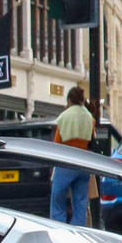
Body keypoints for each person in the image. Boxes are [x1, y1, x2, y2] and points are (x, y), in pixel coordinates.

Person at [49, 85, 96, 226]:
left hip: (66, 161)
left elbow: (57, 142)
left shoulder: (64, 116)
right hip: (83, 162)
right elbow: (92, 140)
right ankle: (79, 230)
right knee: (81, 201)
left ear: (69, 100)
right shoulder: (89, 117)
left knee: (58, 199)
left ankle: (59, 229)